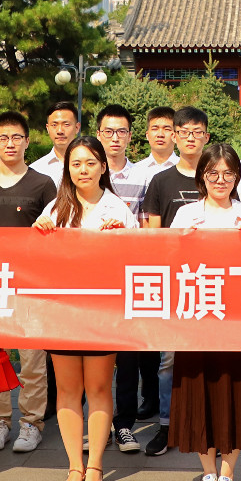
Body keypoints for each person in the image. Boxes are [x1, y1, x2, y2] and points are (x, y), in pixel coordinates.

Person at [32, 135, 138, 481]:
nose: (83, 170)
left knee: (98, 388)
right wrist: (38, 234)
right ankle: (74, 466)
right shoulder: (55, 209)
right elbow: (35, 261)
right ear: (67, 169)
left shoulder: (118, 209)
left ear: (103, 167)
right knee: (67, 391)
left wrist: (121, 239)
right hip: (62, 313)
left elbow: (137, 260)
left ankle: (95, 466)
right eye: (76, 164)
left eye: (91, 163)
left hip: (101, 313)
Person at [167, 145, 241, 481]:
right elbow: (167, 263)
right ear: (201, 177)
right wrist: (182, 243)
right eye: (212, 174)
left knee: (234, 393)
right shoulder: (186, 214)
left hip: (237, 319)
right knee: (199, 394)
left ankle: (228, 475)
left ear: (237, 177)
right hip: (196, 318)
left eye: (227, 174)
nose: (220, 181)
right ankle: (208, 473)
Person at [0, 111, 58, 455]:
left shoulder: (43, 184)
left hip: (30, 285)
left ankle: (31, 423)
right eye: (3, 138)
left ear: (27, 141)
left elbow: (56, 232)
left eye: (16, 138)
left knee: (32, 360)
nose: (10, 144)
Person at [137, 106, 212, 455]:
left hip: (212, 281)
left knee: (211, 356)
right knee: (168, 360)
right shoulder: (161, 181)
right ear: (175, 136)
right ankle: (167, 425)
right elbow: (152, 236)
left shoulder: (218, 176)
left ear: (206, 136)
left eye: (198, 132)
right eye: (184, 132)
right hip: (174, 282)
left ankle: (208, 424)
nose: (191, 138)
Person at [96, 104, 153, 454]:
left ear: (131, 136)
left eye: (121, 131)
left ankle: (125, 426)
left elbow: (147, 227)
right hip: (94, 281)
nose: (115, 138)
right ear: (98, 134)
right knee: (95, 358)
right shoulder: (85, 172)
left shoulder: (144, 177)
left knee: (129, 358)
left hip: (130, 277)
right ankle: (97, 425)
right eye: (108, 131)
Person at [28, 101, 80, 182]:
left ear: (77, 127)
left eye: (66, 124)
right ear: (48, 128)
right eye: (54, 125)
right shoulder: (36, 170)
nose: (60, 131)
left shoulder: (91, 166)